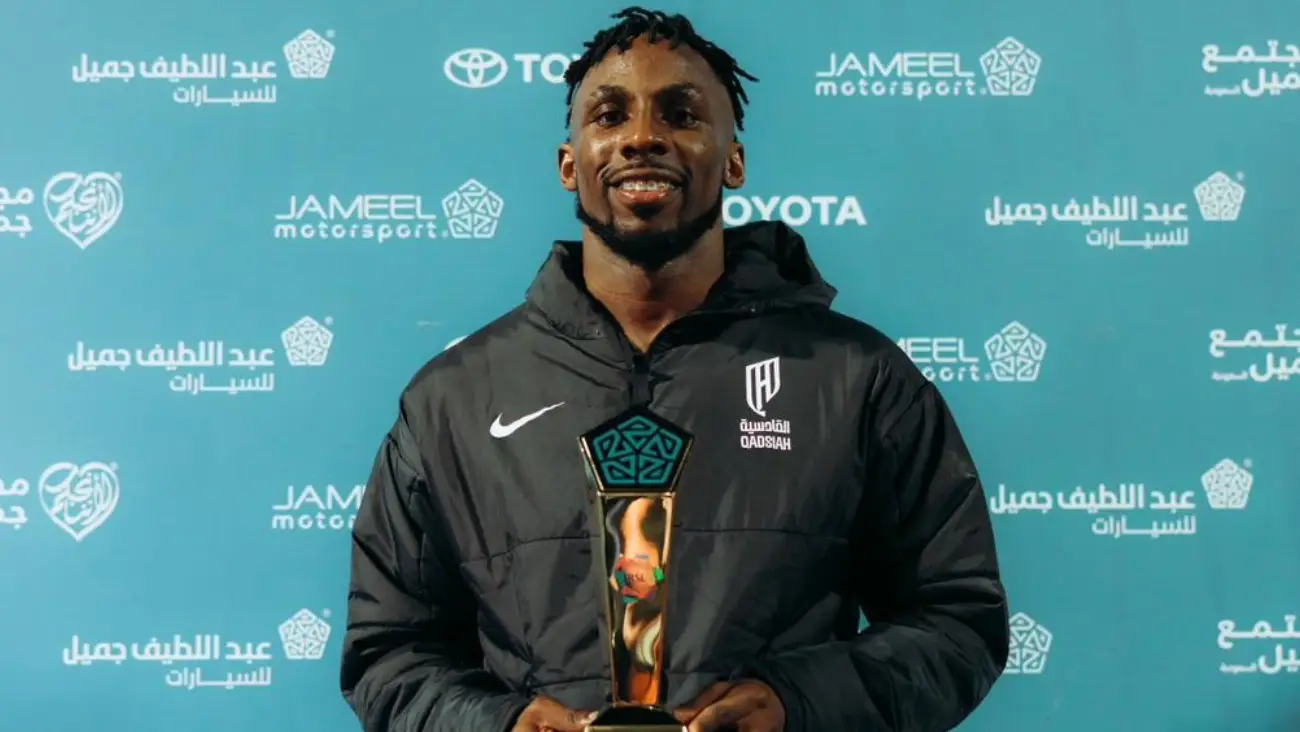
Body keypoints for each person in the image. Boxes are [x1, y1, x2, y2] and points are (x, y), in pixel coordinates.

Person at [339, 7, 1010, 732]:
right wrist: (501, 724)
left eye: (681, 114)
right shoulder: (455, 398)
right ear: (569, 164)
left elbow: (957, 621)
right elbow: (388, 654)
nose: (642, 137)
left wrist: (797, 703)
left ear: (733, 162)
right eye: (610, 115)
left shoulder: (856, 379)